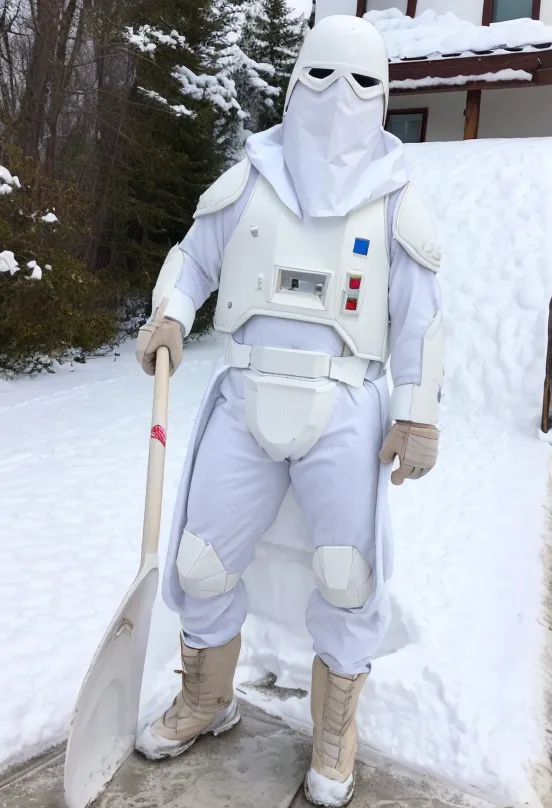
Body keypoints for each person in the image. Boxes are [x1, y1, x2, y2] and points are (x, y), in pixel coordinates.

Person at [134, 14, 444, 808]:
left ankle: (335, 729)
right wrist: (171, 312)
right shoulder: (251, 177)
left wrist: (417, 414)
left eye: (362, 83)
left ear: (385, 94)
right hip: (244, 396)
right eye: (322, 76)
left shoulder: (396, 200)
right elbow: (194, 257)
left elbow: (420, 318)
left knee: (348, 578)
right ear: (295, 76)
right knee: (202, 560)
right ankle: (208, 697)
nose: (340, 99)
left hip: (345, 405)